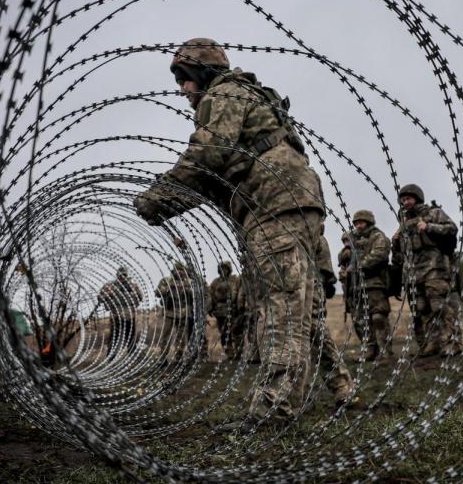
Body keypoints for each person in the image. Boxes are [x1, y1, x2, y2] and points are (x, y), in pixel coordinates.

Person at [134, 38, 326, 424]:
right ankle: (292, 400)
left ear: (203, 73)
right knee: (295, 305)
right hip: (288, 199)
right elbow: (215, 177)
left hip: (273, 202)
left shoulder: (221, 94)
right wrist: (171, 204)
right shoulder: (244, 95)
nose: (182, 88)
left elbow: (206, 156)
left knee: (283, 308)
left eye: (185, 78)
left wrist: (158, 199)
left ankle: (274, 408)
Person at [390, 184, 461, 357]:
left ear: (417, 198)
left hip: (434, 267)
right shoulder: (404, 224)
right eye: (403, 199)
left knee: (440, 306)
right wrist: (395, 242)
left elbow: (451, 229)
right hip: (413, 272)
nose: (406, 202)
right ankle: (433, 342)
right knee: (423, 309)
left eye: (409, 198)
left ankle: (451, 342)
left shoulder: (433, 213)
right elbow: (399, 256)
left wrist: (429, 226)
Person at [310, 226, 356, 407]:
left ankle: (342, 385)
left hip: (308, 287)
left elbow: (326, 273)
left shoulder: (312, 234)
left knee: (315, 332)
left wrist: (325, 284)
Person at [346, 210, 392, 361]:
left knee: (378, 317)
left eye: (361, 222)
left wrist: (359, 266)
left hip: (374, 284)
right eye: (356, 223)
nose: (358, 226)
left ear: (369, 222)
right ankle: (369, 350)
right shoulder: (352, 241)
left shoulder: (377, 236)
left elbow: (379, 255)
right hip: (357, 287)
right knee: (361, 320)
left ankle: (385, 351)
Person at [154, 261, 202, 362]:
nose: (179, 272)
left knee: (180, 338)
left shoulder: (189, 282)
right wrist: (168, 288)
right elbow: (158, 292)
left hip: (183, 314)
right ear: (174, 271)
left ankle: (178, 357)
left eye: (181, 270)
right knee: (165, 336)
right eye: (177, 270)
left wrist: (186, 288)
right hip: (169, 313)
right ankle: (162, 358)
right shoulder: (166, 280)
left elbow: (195, 295)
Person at [99, 267, 143, 357]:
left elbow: (140, 297)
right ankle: (111, 357)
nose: (122, 277)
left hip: (130, 315)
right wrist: (108, 294)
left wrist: (135, 292)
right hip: (116, 316)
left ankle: (132, 357)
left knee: (130, 337)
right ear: (117, 275)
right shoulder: (110, 286)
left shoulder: (133, 285)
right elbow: (100, 298)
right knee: (115, 337)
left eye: (124, 275)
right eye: (120, 275)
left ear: (127, 275)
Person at [207, 261, 246, 361]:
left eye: (225, 269)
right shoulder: (216, 282)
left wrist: (239, 306)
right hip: (220, 310)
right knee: (224, 333)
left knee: (236, 331)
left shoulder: (234, 280)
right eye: (221, 269)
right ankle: (229, 353)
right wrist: (210, 307)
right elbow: (210, 295)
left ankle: (239, 352)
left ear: (229, 269)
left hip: (233, 309)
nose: (223, 271)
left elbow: (238, 293)